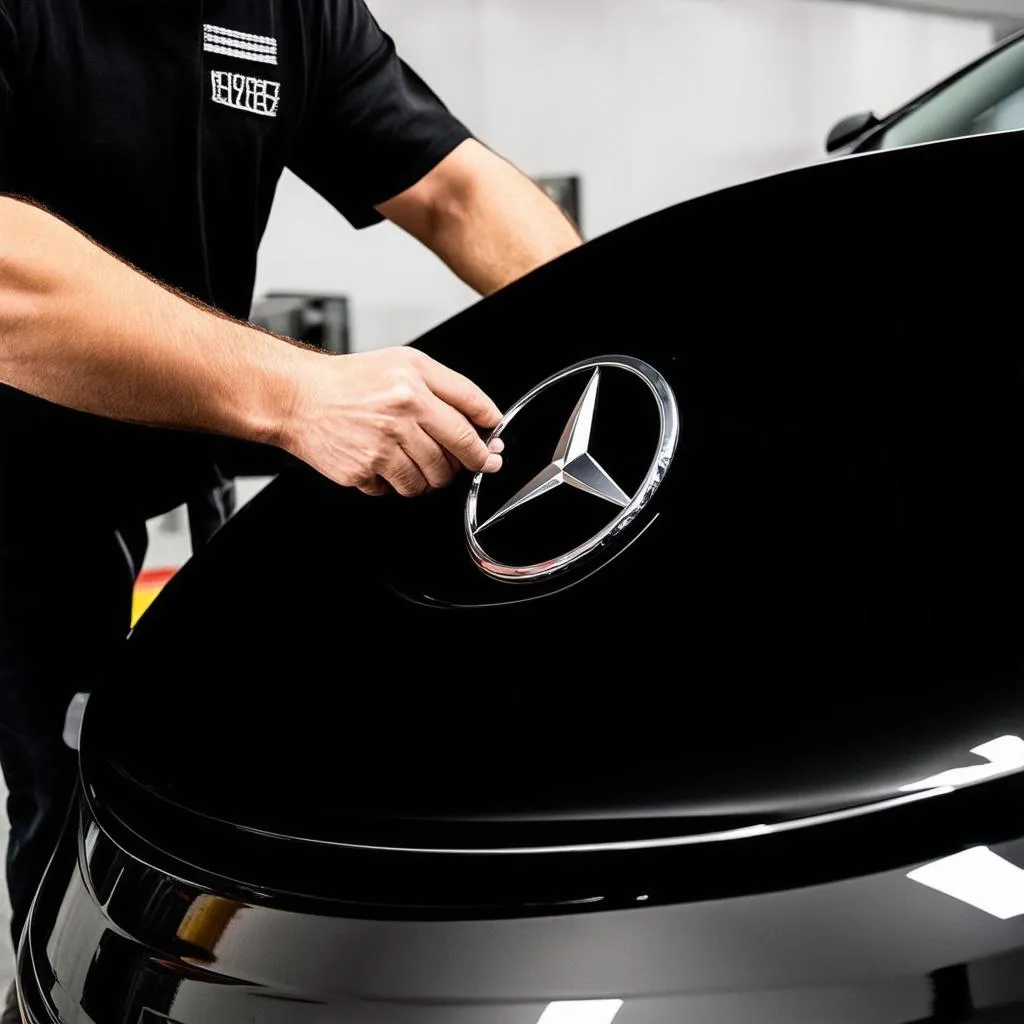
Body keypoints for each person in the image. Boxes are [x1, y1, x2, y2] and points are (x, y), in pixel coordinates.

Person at [0, 0, 582, 1013]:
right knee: (70, 827)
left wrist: (618, 345)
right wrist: (299, 392)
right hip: (10, 490)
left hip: (149, 473)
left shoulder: (287, 10)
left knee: (155, 797)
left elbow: (450, 186)